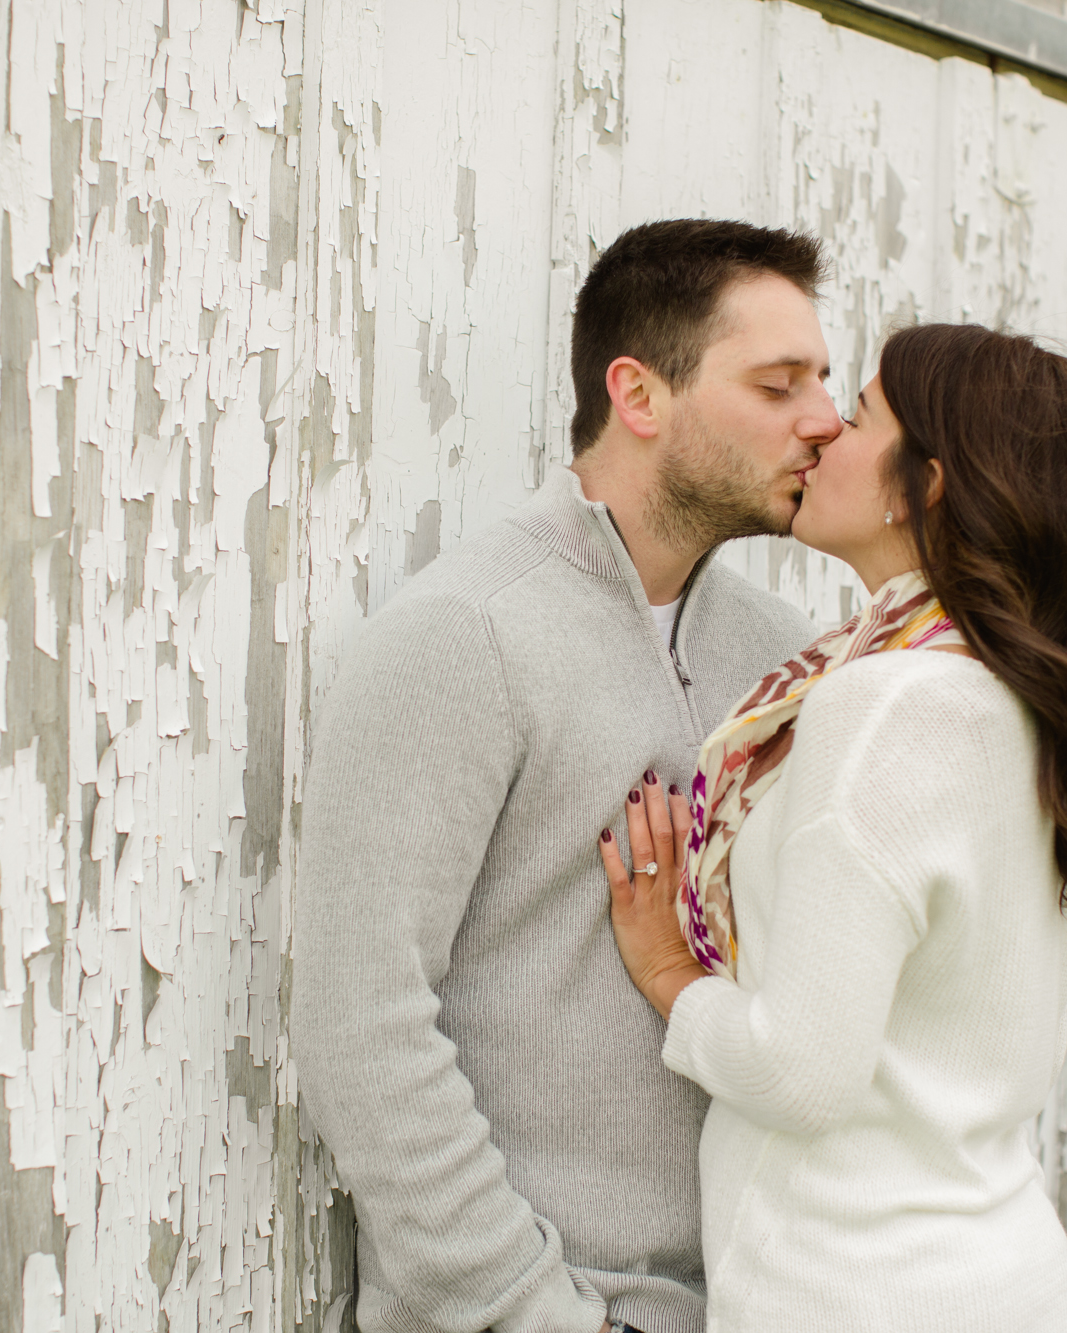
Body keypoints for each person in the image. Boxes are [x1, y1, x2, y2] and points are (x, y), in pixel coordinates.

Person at [291, 219, 845, 1333]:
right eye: (778, 384)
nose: (823, 420)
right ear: (638, 396)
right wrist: (531, 1312)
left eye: (822, 382)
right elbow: (361, 1021)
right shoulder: (465, 636)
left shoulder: (781, 657)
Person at [603, 323, 1067, 1331]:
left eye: (860, 413)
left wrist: (667, 976)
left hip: (854, 1289)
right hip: (988, 1273)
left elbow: (799, 1071)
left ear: (928, 483)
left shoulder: (889, 707)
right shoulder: (1013, 696)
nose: (820, 429)